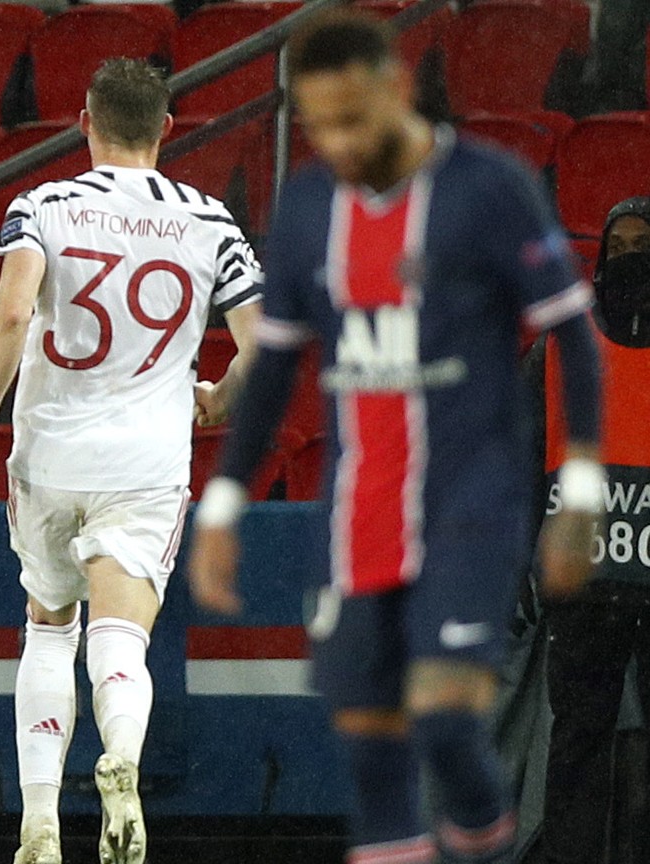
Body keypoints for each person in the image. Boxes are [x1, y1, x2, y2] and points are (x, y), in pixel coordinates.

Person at [187, 11, 604, 864]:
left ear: (399, 89)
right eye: (318, 124)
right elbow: (271, 370)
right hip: (358, 512)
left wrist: (583, 491)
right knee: (374, 743)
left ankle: (484, 839)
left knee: (447, 717)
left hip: (471, 501)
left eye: (353, 120)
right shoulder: (306, 209)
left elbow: (574, 335)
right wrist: (224, 503)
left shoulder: (491, 189)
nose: (335, 142)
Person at [0, 57, 263, 864]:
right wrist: (223, 396)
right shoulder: (209, 220)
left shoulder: (44, 206)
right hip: (146, 461)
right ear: (167, 127)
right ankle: (119, 758)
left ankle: (41, 818)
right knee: (123, 637)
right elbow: (267, 346)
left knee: (49, 631)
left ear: (82, 121)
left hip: (50, 453)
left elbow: (13, 313)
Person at [540, 197, 650, 864]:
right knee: (578, 741)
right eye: (622, 245)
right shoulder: (562, 341)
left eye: (644, 243)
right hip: (585, 580)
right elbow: (528, 446)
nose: (632, 256)